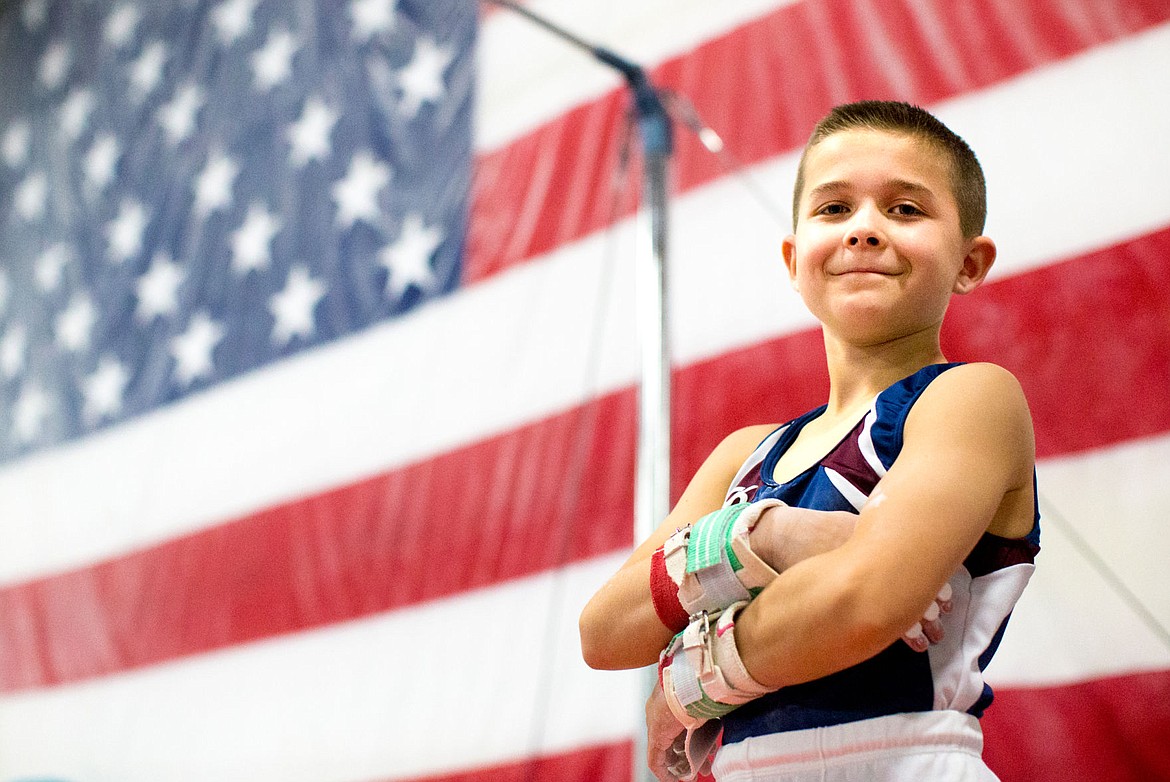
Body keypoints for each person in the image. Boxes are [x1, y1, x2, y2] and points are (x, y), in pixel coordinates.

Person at [578, 100, 1040, 781]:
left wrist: (684, 679)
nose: (864, 231)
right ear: (795, 261)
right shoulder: (745, 458)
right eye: (833, 210)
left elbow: (859, 603)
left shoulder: (970, 399)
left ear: (970, 262)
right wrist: (762, 537)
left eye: (906, 210)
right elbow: (606, 631)